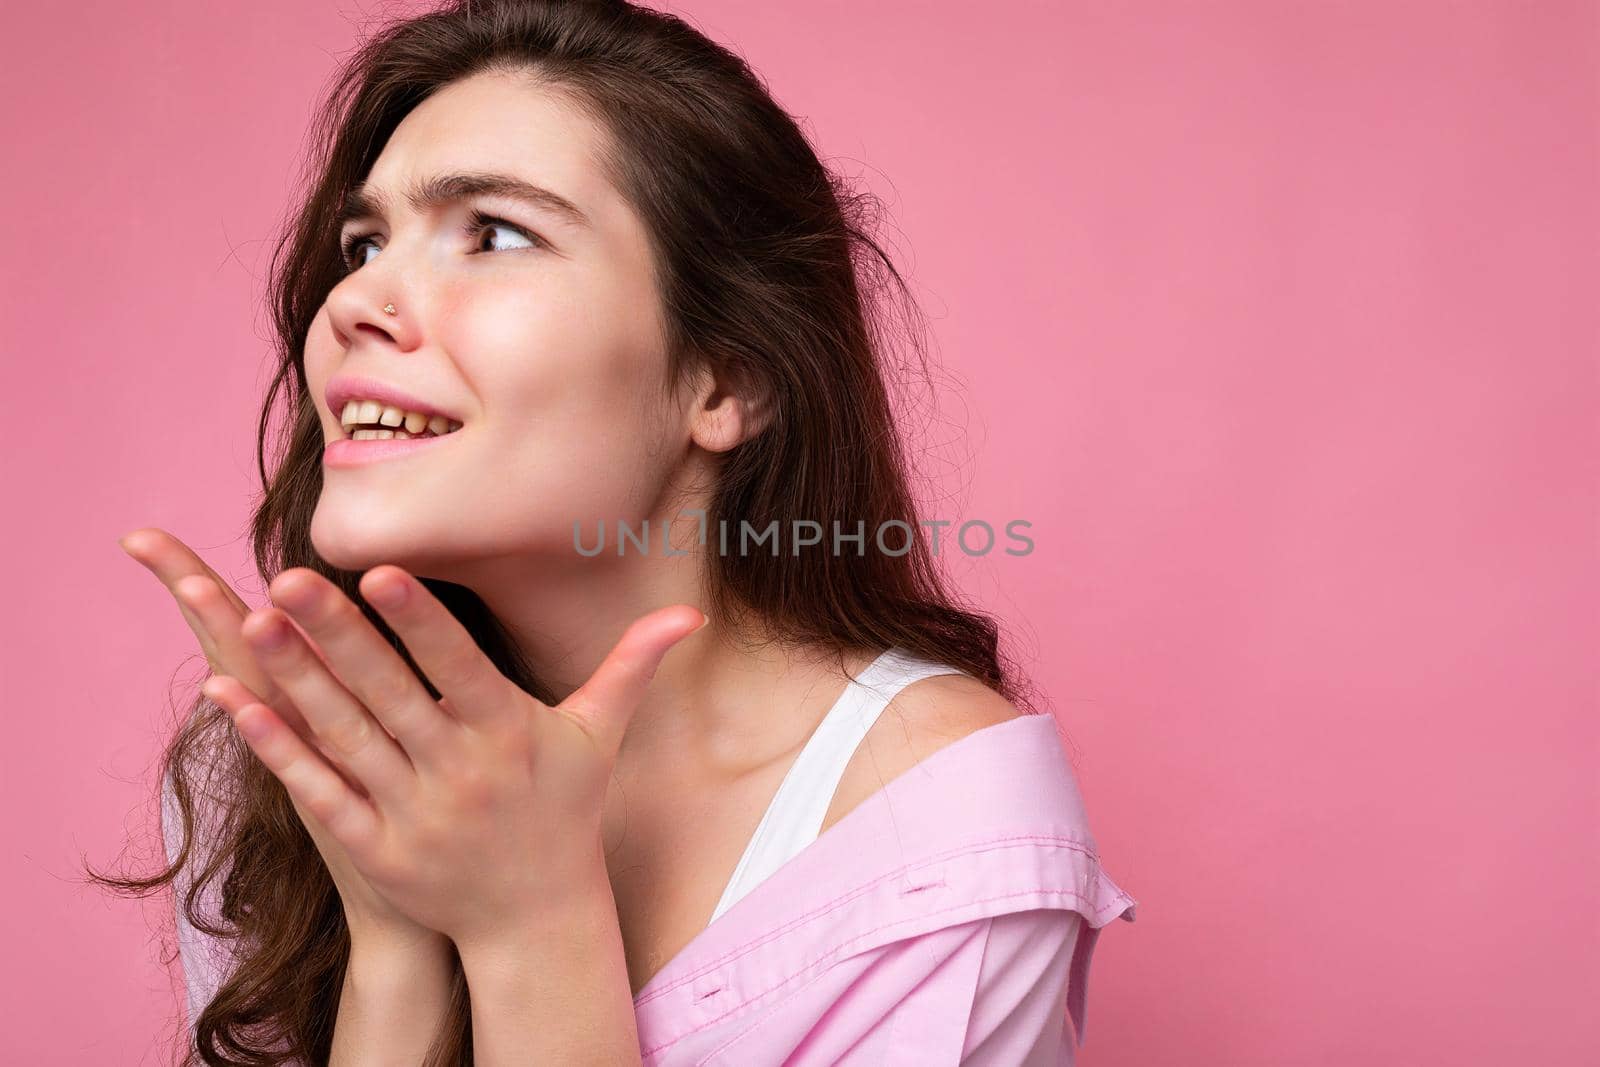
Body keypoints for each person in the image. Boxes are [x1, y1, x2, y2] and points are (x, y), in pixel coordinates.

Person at [94, 1, 1136, 1063]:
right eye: (364, 242)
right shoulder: (285, 759)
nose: (356, 300)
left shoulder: (929, 817)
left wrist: (530, 924)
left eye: (495, 232)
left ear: (728, 377)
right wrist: (397, 939)